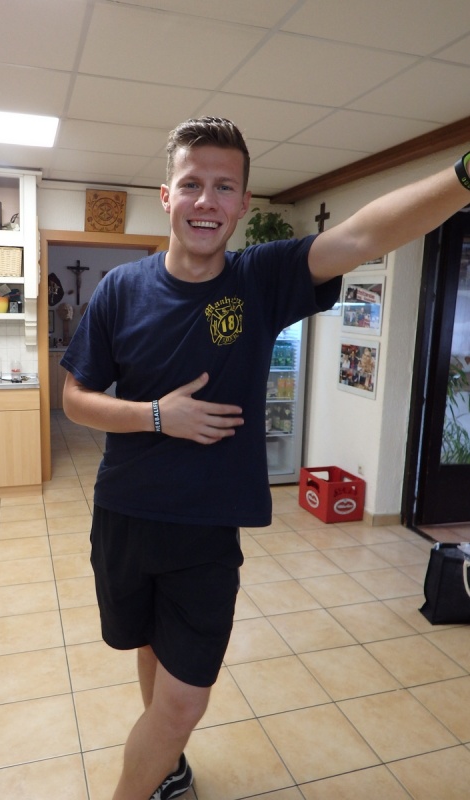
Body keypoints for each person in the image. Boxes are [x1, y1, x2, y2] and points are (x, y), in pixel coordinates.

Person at [61, 117, 470, 800]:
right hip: (124, 516)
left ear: (244, 203)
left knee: (185, 700)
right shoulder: (121, 290)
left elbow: (363, 235)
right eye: (192, 183)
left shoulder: (260, 279)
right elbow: (75, 400)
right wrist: (158, 416)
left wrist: (463, 176)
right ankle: (168, 765)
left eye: (224, 186)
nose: (206, 200)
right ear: (166, 195)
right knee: (151, 649)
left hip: (206, 530)